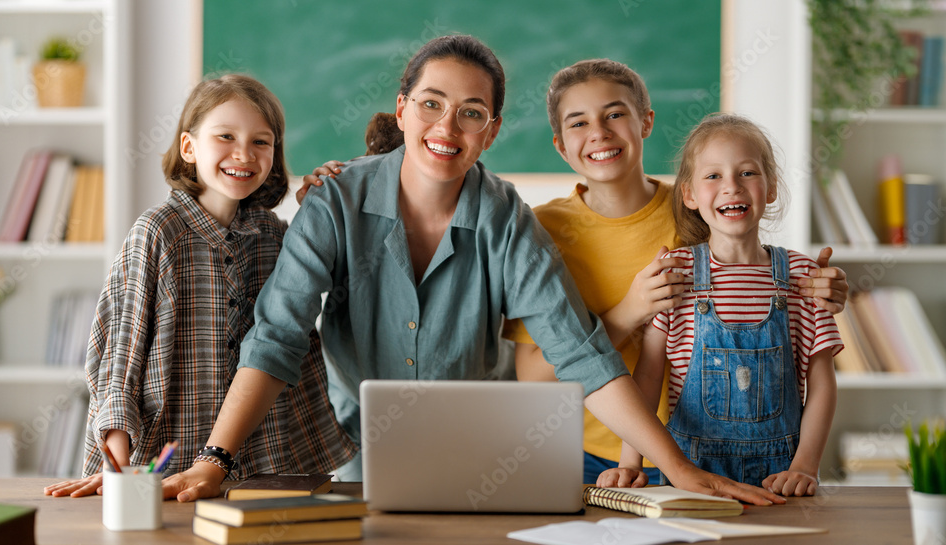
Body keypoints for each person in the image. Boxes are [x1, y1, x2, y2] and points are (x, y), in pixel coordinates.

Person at [162, 35, 786, 505]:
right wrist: (214, 460)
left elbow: (580, 351)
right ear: (403, 110)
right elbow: (277, 333)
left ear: (490, 132)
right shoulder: (335, 201)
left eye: (470, 112)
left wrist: (675, 468)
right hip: (352, 453)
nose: (447, 126)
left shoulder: (506, 216)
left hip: (484, 459)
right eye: (431, 104)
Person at [502, 60, 848, 486]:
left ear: (646, 121)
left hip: (697, 457)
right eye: (579, 122)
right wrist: (629, 311)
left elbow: (762, 276)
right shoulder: (541, 232)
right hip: (586, 454)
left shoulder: (702, 208)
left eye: (615, 114)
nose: (599, 132)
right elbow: (533, 377)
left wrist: (827, 289)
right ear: (560, 145)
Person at [44, 74, 355, 498]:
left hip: (268, 463)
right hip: (166, 466)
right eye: (225, 136)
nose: (243, 154)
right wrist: (119, 467)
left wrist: (324, 199)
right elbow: (119, 359)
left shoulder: (277, 236)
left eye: (261, 142)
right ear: (189, 147)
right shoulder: (157, 233)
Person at [608, 113, 842, 496]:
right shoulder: (676, 275)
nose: (732, 187)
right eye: (713, 176)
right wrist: (630, 463)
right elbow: (648, 377)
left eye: (747, 173)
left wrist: (806, 467)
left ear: (770, 188)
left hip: (781, 479)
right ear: (689, 194)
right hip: (692, 478)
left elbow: (822, 383)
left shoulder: (803, 276)